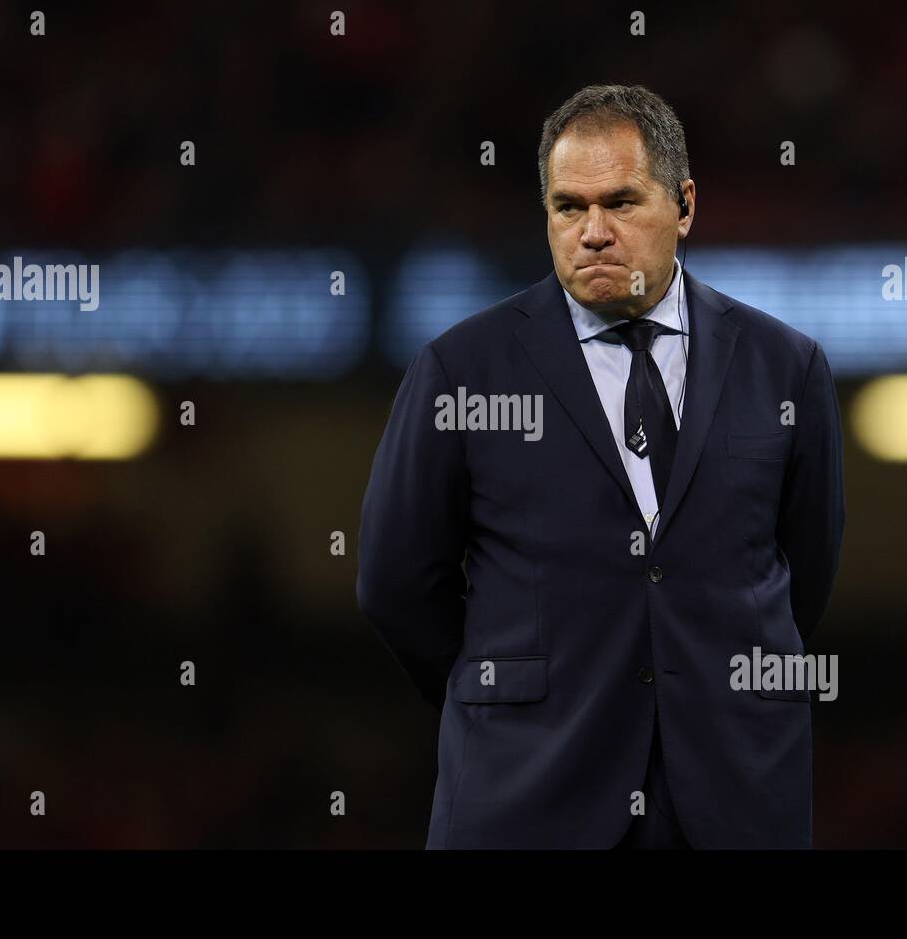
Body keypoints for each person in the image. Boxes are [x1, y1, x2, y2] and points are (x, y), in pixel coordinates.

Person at [357, 84, 845, 849]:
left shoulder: (786, 367)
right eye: (567, 207)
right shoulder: (460, 370)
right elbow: (394, 582)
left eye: (620, 202)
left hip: (731, 798)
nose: (592, 233)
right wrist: (503, 688)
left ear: (684, 205)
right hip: (526, 794)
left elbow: (800, 574)